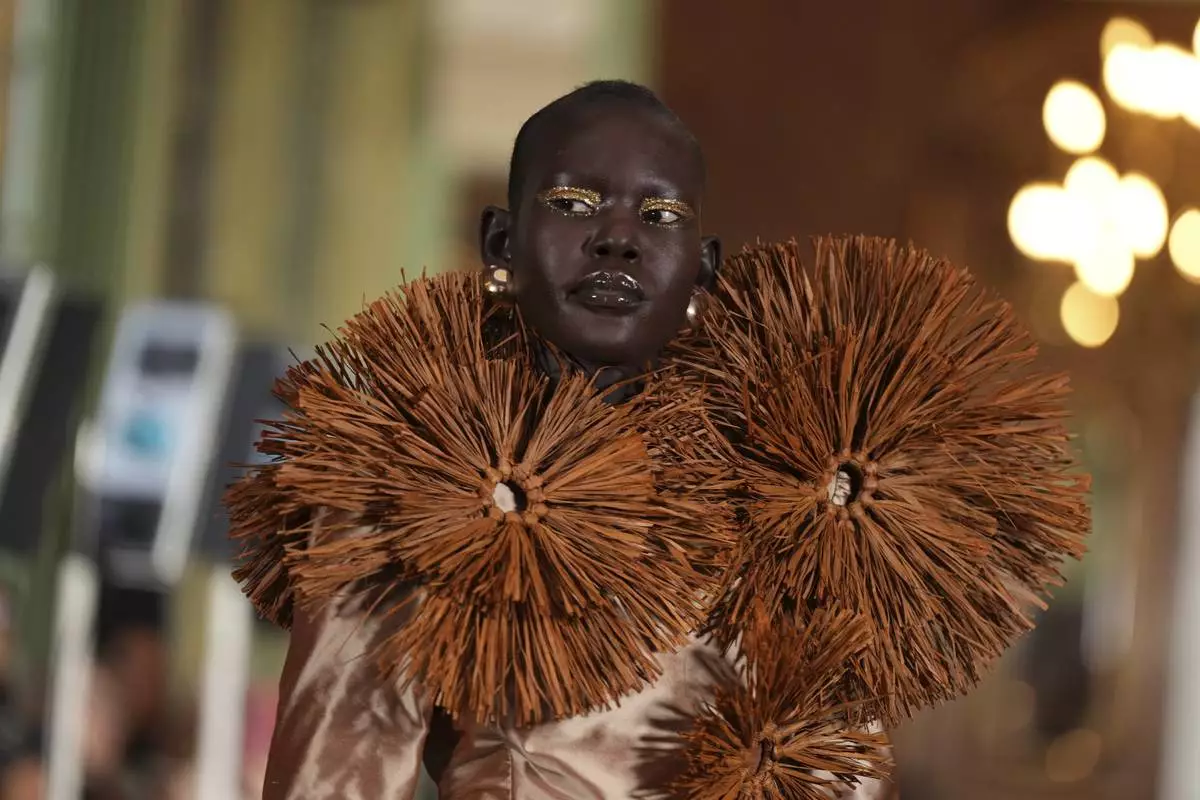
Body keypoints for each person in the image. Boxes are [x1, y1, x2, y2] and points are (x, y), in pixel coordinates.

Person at [259, 81, 893, 799]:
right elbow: (341, 767)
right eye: (573, 203)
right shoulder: (407, 480)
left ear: (705, 267)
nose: (618, 239)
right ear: (501, 241)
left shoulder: (788, 494)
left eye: (660, 215)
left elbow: (844, 765)